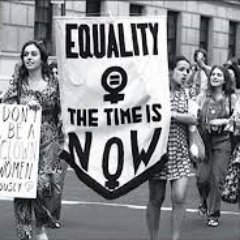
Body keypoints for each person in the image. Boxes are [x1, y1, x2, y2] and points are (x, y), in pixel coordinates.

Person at [2, 40, 63, 240]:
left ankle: (40, 226)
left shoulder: (54, 83)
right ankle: (25, 234)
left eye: (33, 54)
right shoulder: (17, 82)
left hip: (48, 141)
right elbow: (5, 107)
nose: (29, 57)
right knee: (21, 188)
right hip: (22, 141)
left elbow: (64, 110)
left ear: (42, 58)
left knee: (43, 186)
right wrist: (23, 105)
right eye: (26, 54)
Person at [146, 56, 198, 240]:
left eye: (188, 70)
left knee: (179, 197)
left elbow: (193, 118)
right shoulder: (156, 93)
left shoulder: (189, 94)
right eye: (181, 69)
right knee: (156, 198)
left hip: (181, 152)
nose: (185, 74)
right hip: (158, 153)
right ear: (170, 70)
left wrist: (171, 114)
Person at [196, 65, 237, 227]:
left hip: (223, 142)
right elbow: (195, 116)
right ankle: (203, 201)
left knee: (217, 178)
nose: (215, 76)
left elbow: (236, 119)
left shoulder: (231, 98)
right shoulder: (202, 97)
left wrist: (224, 121)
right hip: (204, 142)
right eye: (213, 74)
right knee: (201, 179)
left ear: (224, 79)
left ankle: (214, 214)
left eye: (219, 74)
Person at [47, 60, 68, 229]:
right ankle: (44, 213)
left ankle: (53, 217)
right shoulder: (44, 94)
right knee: (43, 182)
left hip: (62, 144)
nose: (55, 75)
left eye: (58, 72)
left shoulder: (69, 97)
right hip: (45, 143)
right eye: (52, 73)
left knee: (57, 183)